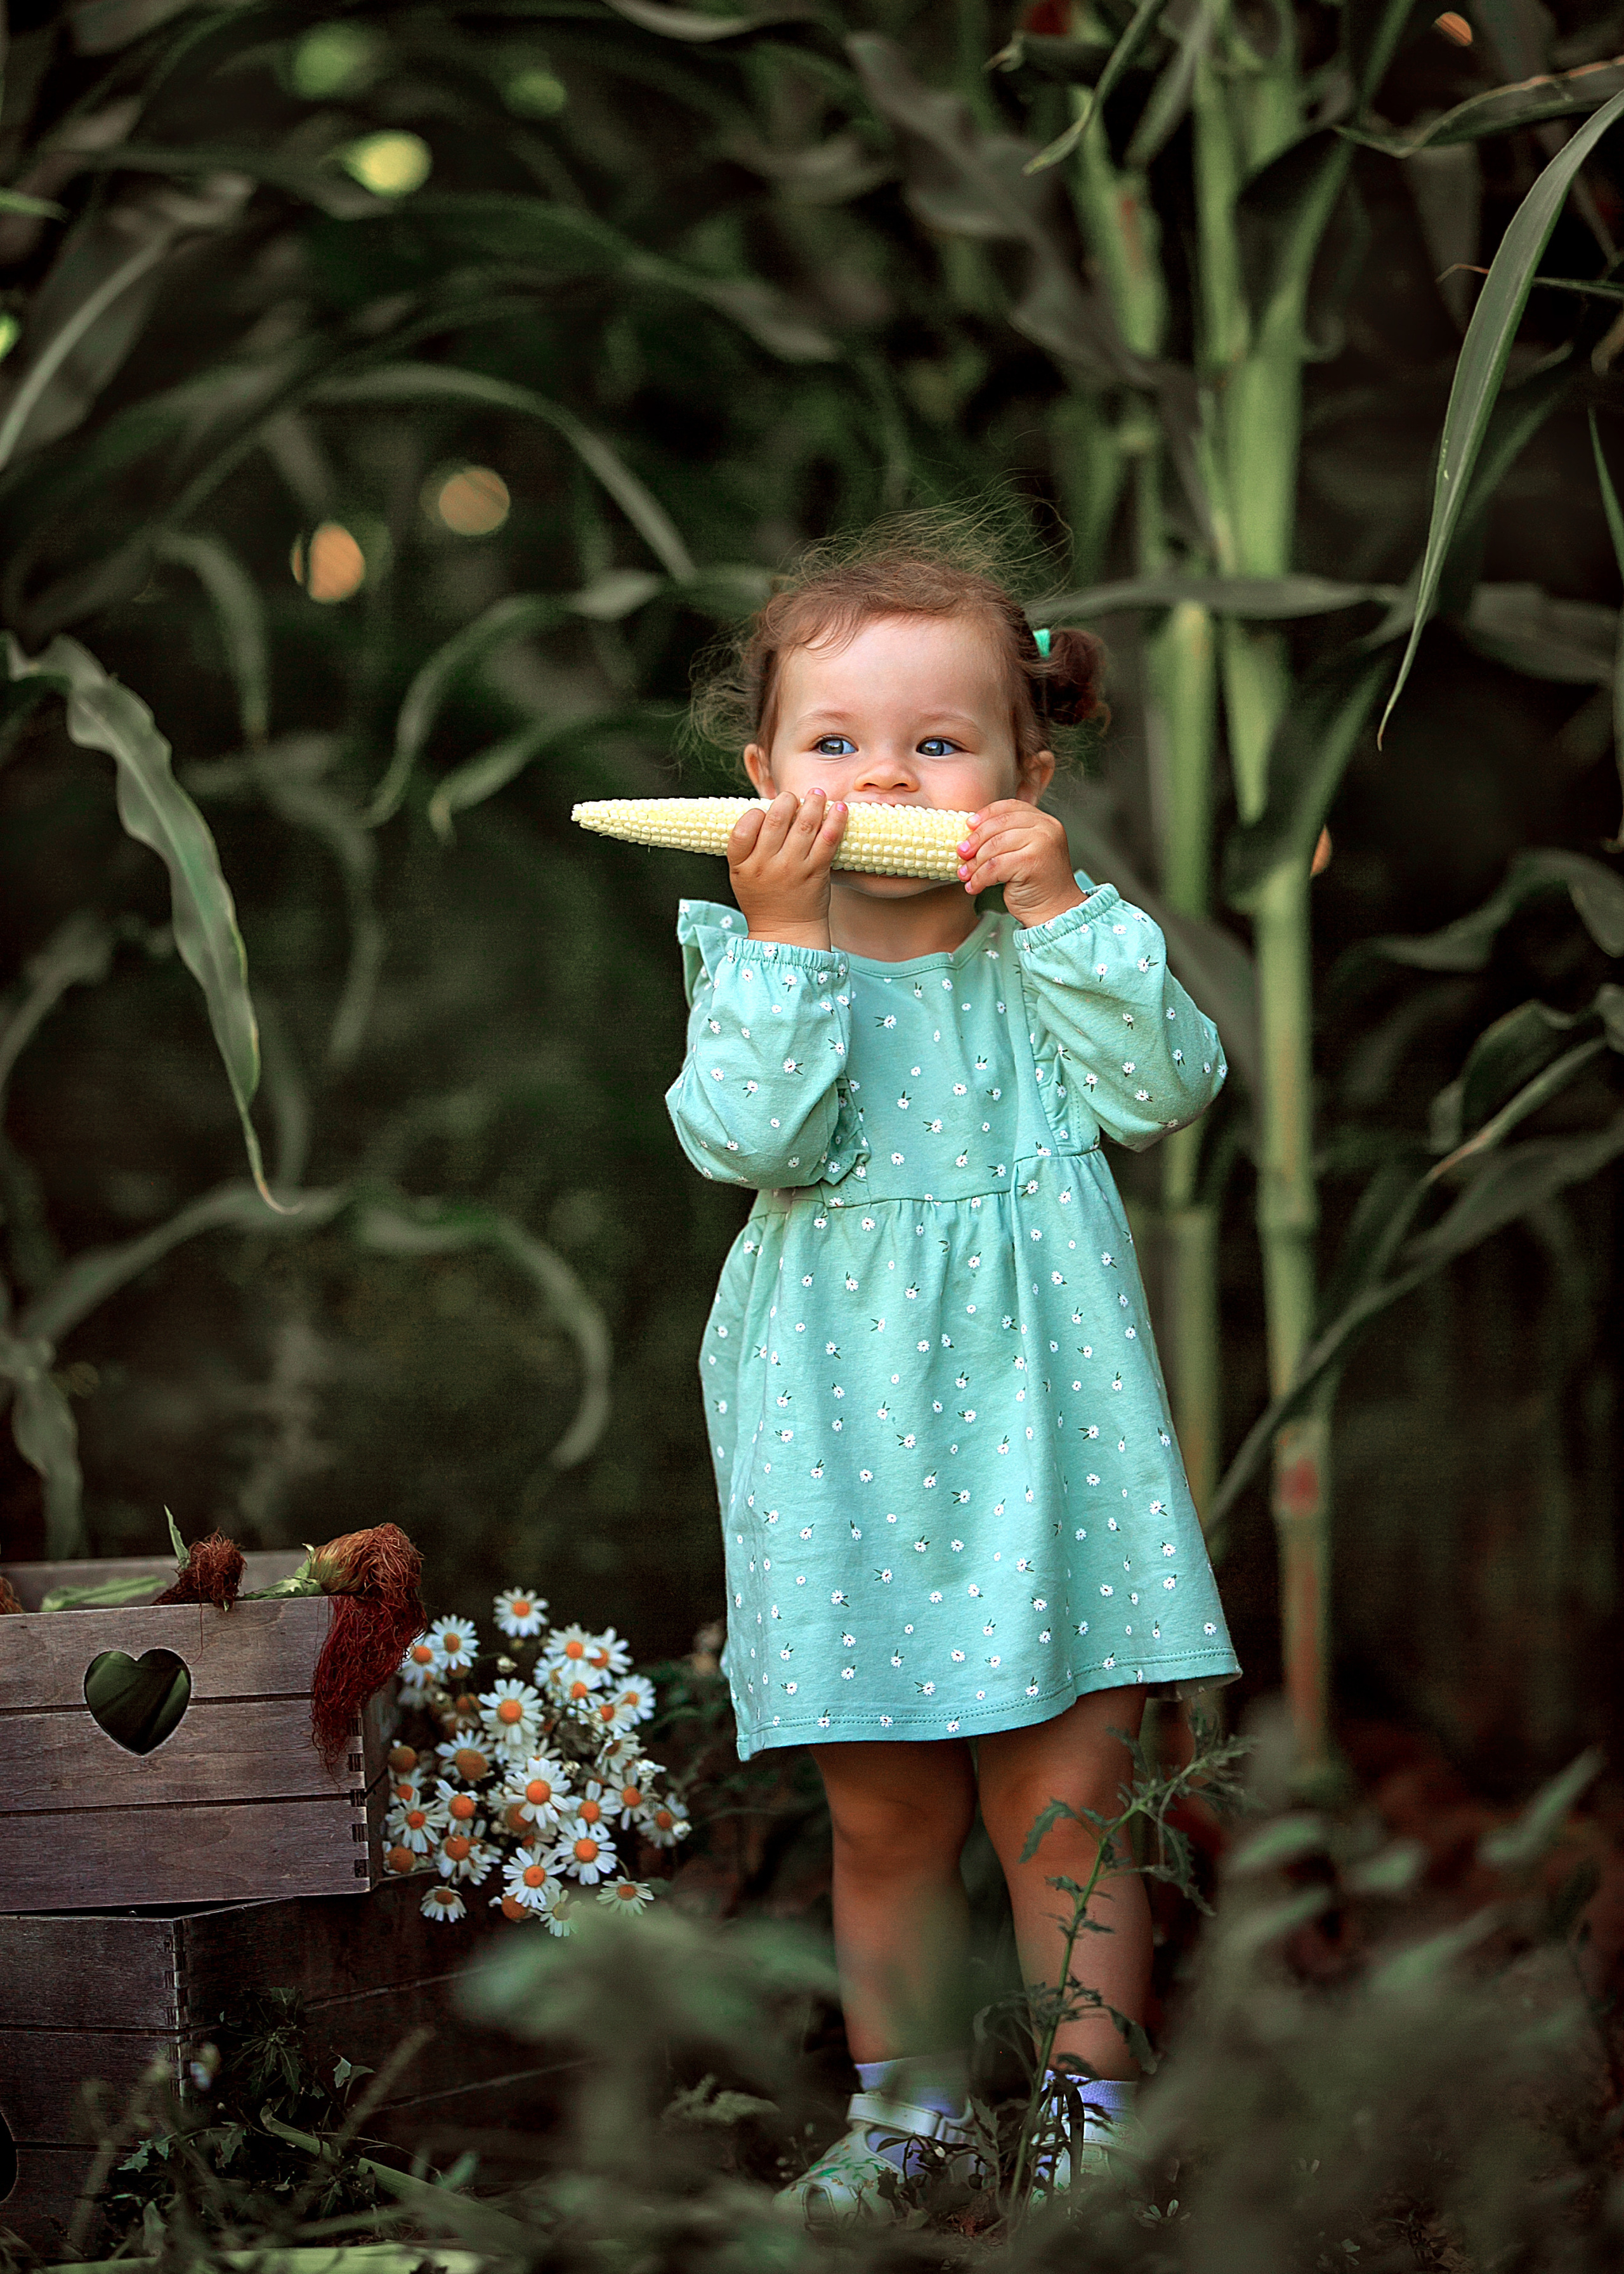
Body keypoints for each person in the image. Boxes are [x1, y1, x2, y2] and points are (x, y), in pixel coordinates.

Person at [664, 523, 1239, 2224]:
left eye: (940, 742)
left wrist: (1063, 901)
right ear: (763, 776)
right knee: (891, 1822)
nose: (885, 777)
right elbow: (746, 1135)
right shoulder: (760, 961)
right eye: (836, 747)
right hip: (841, 1447)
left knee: (1069, 1818)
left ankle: (1094, 2117)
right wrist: (778, 937)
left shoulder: (1048, 955)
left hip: (1051, 1444)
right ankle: (905, 2116)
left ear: (1025, 769)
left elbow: (1165, 1084)